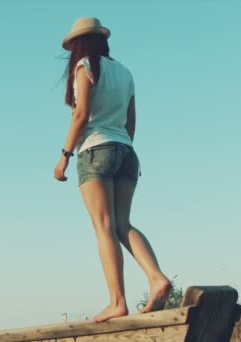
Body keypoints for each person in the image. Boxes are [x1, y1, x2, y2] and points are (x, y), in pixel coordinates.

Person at [53, 17, 171, 323]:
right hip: (126, 151)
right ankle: (157, 278)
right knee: (122, 223)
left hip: (95, 149)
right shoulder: (125, 72)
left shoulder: (85, 67)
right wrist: (121, 148)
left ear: (77, 44)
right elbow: (131, 121)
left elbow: (81, 115)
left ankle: (117, 301)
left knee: (103, 226)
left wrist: (64, 155)